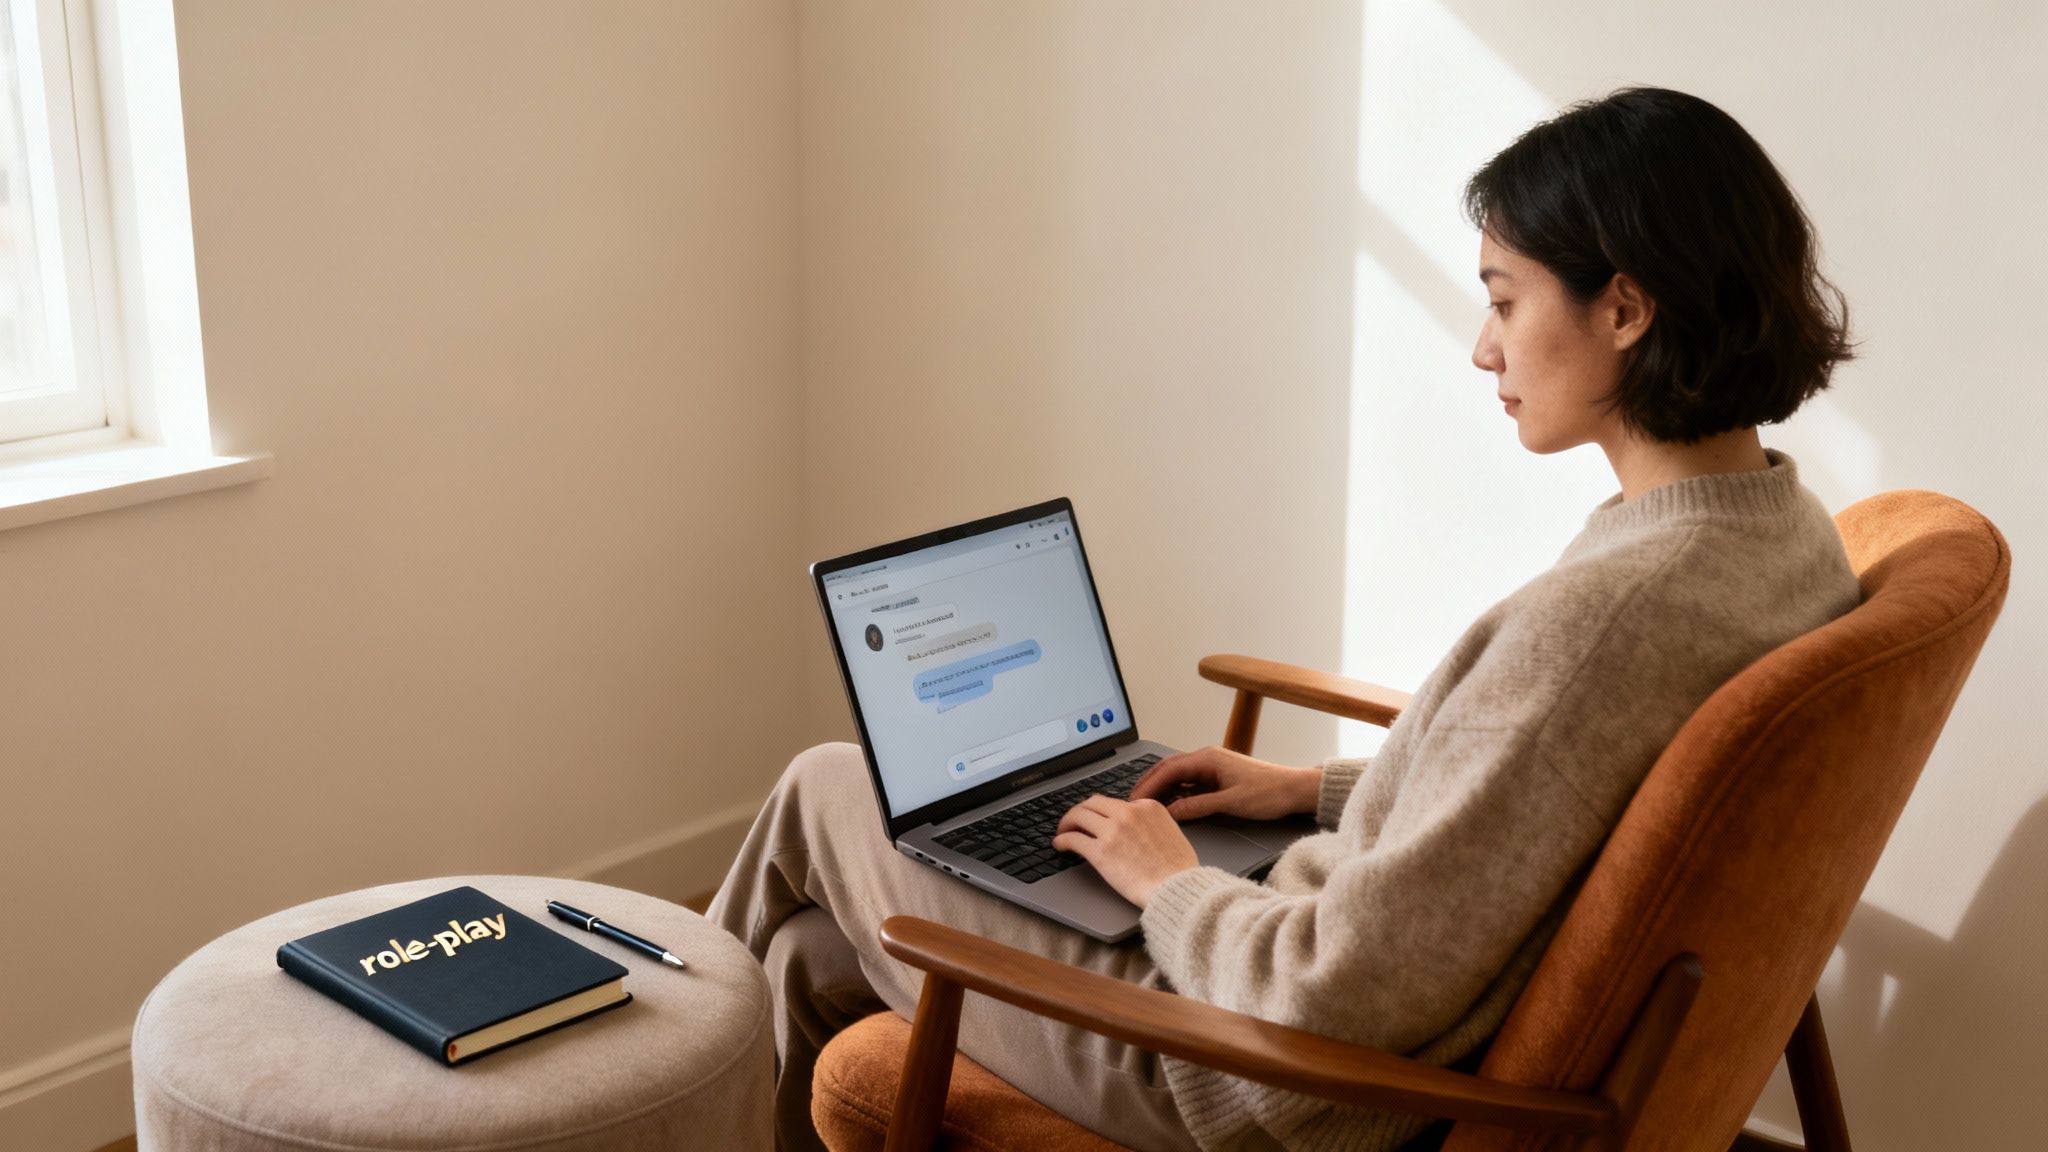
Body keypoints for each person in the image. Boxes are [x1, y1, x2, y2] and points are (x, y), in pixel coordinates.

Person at [710, 86, 1862, 1152]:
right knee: (812, 957)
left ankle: (625, 1054)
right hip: (1330, 998)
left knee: (825, 783)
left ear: (1623, 307)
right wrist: (1306, 794)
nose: (1481, 347)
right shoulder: (1775, 535)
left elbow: (1328, 992)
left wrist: (1167, 883)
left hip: (1258, 1077)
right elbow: (1559, 797)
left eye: (1504, 300)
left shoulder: (1604, 619)